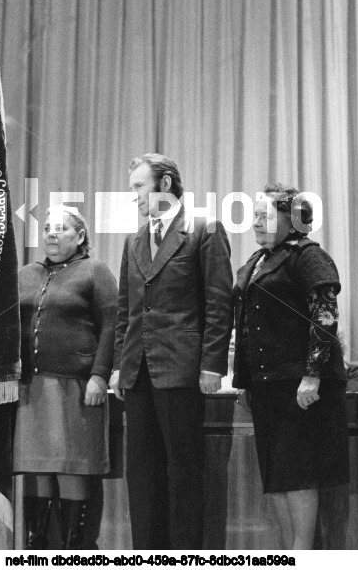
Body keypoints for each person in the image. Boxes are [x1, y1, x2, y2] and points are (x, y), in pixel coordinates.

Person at [110, 153, 233, 549]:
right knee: (141, 473)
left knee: (183, 471)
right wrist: (117, 367)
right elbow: (126, 312)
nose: (135, 197)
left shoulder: (204, 230)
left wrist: (212, 365)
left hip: (180, 370)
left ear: (164, 185)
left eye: (139, 187)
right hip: (137, 373)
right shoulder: (134, 240)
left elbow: (219, 304)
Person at [232, 184, 349, 549]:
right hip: (267, 387)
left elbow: (325, 316)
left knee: (297, 476)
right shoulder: (256, 262)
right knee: (277, 478)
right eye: (255, 215)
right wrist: (245, 384)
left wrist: (312, 376)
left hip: (300, 388)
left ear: (291, 218)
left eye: (264, 215)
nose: (256, 222)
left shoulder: (309, 255)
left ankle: (302, 555)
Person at [14, 206, 118, 549]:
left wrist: (100, 376)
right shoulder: (26, 273)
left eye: (60, 228)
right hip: (32, 388)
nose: (51, 234)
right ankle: (38, 544)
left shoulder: (95, 271)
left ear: (80, 236)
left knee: (72, 466)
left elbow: (112, 328)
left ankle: (75, 547)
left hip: (76, 386)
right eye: (46, 228)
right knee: (38, 467)